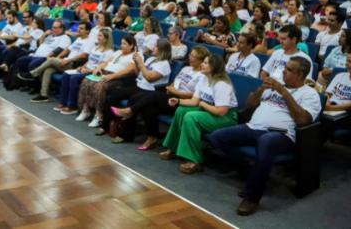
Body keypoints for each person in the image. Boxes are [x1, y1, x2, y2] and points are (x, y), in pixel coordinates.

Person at [209, 56, 321, 216]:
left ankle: (252, 196)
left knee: (266, 140)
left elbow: (303, 120)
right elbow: (249, 105)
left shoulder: (309, 94)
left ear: (300, 74)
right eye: (285, 67)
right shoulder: (272, 87)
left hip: (281, 135)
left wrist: (284, 92)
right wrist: (262, 89)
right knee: (217, 137)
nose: (283, 71)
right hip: (252, 127)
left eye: (289, 69)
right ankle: (251, 173)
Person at [111, 46, 210, 150]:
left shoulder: (202, 76)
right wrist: (171, 88)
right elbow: (174, 83)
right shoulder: (186, 68)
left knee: (152, 95)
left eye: (193, 56)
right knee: (144, 102)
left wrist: (175, 91)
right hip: (171, 95)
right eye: (190, 55)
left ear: (201, 60)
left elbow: (194, 95)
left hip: (182, 102)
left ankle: (130, 111)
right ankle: (151, 137)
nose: (190, 57)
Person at [159, 54, 238, 174]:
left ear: (214, 67)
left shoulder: (222, 84)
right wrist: (179, 101)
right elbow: (194, 101)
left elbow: (221, 111)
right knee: (181, 110)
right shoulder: (203, 78)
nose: (202, 64)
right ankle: (173, 148)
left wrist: (202, 104)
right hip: (209, 111)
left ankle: (195, 160)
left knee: (191, 117)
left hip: (226, 118)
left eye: (206, 63)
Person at [99, 39, 173, 138]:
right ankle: (106, 125)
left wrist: (141, 64)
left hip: (149, 91)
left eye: (156, 46)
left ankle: (126, 135)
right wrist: (137, 64)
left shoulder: (165, 64)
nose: (153, 48)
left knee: (132, 100)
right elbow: (139, 74)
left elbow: (150, 78)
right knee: (114, 94)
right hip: (139, 85)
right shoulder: (151, 59)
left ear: (162, 50)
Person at [77, 35, 138, 127]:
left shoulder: (135, 55)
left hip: (119, 78)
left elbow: (130, 70)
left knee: (100, 85)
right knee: (86, 81)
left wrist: (112, 76)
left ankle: (99, 115)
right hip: (105, 73)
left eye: (124, 44)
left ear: (131, 45)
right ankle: (86, 110)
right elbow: (105, 63)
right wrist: (98, 68)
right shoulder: (118, 52)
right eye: (121, 43)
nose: (121, 45)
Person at [26, 21, 94, 102]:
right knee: (48, 70)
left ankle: (33, 73)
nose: (79, 30)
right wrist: (58, 58)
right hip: (65, 62)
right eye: (79, 28)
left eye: (82, 28)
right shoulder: (79, 39)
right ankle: (44, 95)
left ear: (88, 31)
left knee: (50, 60)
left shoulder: (90, 41)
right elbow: (67, 49)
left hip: (73, 64)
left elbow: (84, 55)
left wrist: (68, 60)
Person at [52, 27, 115, 111]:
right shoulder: (95, 47)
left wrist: (88, 70)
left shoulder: (109, 52)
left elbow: (102, 68)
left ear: (106, 39)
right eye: (98, 35)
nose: (98, 38)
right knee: (66, 74)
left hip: (94, 73)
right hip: (86, 69)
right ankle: (63, 102)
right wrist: (82, 66)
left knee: (74, 78)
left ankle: (72, 106)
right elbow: (89, 61)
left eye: (100, 36)